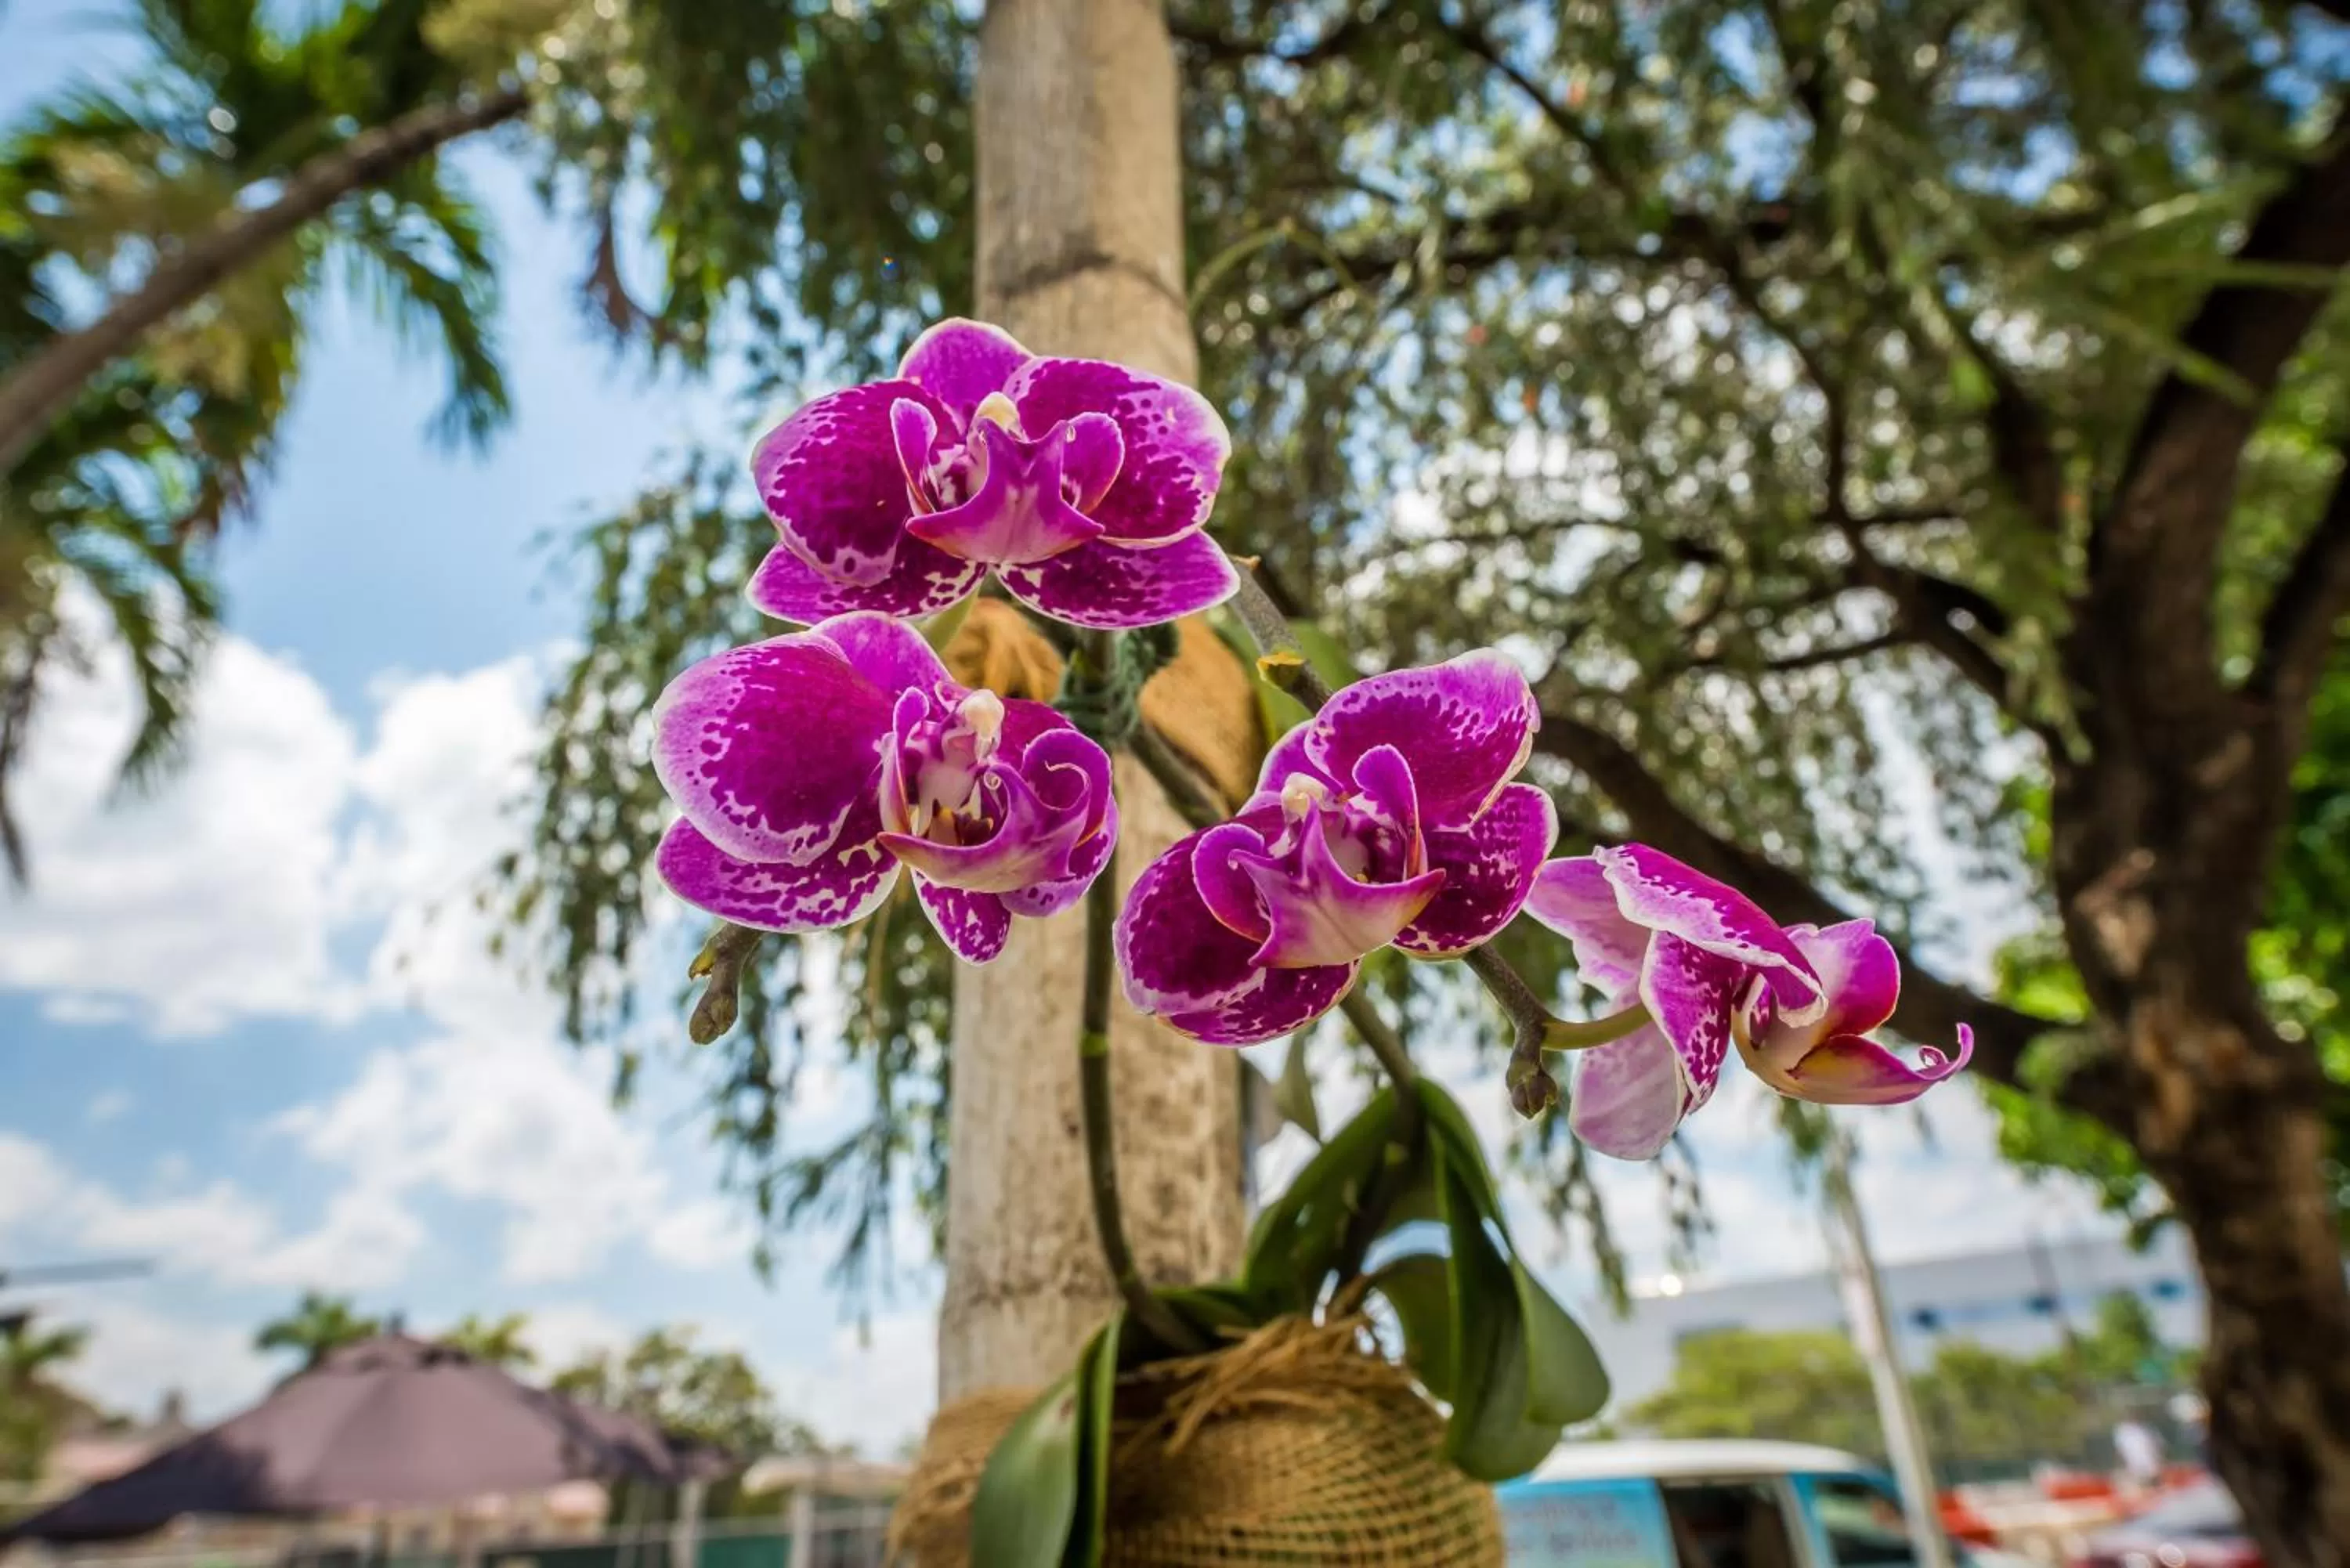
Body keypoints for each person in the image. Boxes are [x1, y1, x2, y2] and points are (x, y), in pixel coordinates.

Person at [2113, 1418, 2164, 1492]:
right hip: (2138, 1462)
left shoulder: (2143, 1431)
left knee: (2149, 1473)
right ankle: (2147, 1487)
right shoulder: (2125, 1433)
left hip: (2145, 1461)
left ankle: (2151, 1486)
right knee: (2142, 1475)